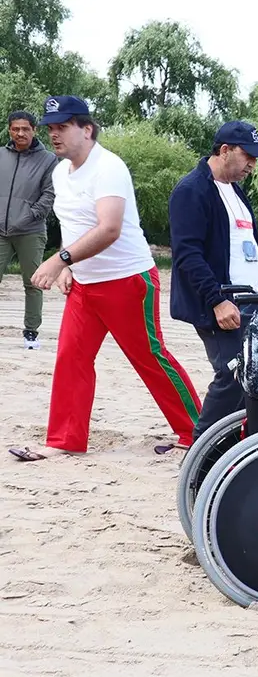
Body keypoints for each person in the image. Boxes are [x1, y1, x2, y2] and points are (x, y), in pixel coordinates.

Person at [8, 96, 201, 462]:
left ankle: (197, 431)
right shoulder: (60, 173)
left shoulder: (109, 167)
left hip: (127, 281)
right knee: (71, 357)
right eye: (50, 128)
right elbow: (73, 226)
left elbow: (109, 228)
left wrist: (58, 259)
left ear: (87, 129)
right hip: (84, 284)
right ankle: (64, 439)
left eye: (62, 127)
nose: (54, 135)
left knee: (149, 358)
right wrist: (68, 267)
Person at [169, 121, 258, 442]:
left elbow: (248, 245)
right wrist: (216, 299)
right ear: (224, 150)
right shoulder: (191, 190)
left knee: (257, 376)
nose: (252, 165)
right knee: (231, 374)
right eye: (248, 156)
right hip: (219, 304)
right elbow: (187, 255)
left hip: (251, 302)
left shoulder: (235, 191)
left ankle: (237, 446)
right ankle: (200, 451)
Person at [1, 110, 58, 350]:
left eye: (25, 128)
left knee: (33, 283)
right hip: (0, 231)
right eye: (15, 128)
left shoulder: (48, 160)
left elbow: (50, 193)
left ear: (34, 130)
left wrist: (30, 216)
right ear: (9, 130)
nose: (20, 133)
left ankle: (31, 333)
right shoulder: (1, 155)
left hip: (30, 230)